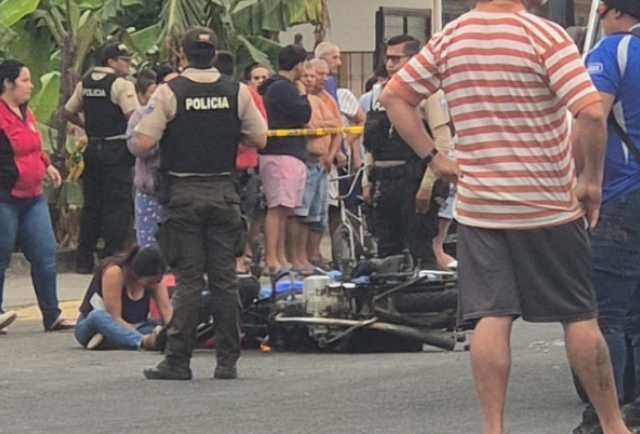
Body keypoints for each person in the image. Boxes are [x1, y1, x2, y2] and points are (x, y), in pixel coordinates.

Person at [379, 0, 630, 433]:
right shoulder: (544, 35)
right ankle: (613, 426)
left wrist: (435, 158)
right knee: (578, 316)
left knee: (491, 317)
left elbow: (393, 97)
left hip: (481, 208)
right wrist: (591, 180)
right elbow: (590, 111)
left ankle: (493, 427)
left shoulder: (451, 37)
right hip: (547, 204)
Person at [133, 27, 267, 380]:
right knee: (225, 280)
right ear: (215, 55)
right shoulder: (237, 91)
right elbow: (260, 137)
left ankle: (178, 360)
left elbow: (143, 142)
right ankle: (227, 362)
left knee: (189, 281)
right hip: (223, 192)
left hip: (183, 195)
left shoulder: (170, 92)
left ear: (183, 55)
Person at [576, 1, 640, 433]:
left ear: (613, 11)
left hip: (621, 193)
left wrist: (582, 178)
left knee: (606, 315)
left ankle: (604, 417)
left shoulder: (612, 50)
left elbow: (592, 114)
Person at [361, 35, 453, 268]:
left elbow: (442, 142)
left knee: (421, 250)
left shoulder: (430, 94)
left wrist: (427, 186)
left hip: (413, 180)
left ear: (414, 59)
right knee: (386, 252)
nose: (390, 65)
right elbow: (371, 143)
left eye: (396, 59)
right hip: (383, 182)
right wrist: (366, 179)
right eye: (388, 59)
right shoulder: (380, 94)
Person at [0, 60, 74, 333]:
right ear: (8, 84)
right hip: (5, 197)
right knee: (1, 256)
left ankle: (52, 315)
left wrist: (47, 165)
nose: (30, 85)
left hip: (32, 197)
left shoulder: (25, 112)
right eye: (24, 80)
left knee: (44, 253)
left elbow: (33, 147)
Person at [64, 43, 140, 274]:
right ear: (111, 62)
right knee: (117, 205)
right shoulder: (121, 84)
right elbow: (134, 116)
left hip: (92, 147)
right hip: (115, 148)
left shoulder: (85, 83)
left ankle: (84, 259)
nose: (128, 64)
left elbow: (67, 111)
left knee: (92, 204)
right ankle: (112, 259)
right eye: (124, 60)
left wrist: (86, 125)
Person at [258, 45, 312, 275]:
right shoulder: (284, 88)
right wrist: (303, 94)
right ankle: (271, 258)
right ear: (298, 65)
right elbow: (303, 114)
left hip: (287, 152)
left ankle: (280, 257)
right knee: (277, 207)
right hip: (281, 153)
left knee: (285, 209)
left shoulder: (276, 87)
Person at [213, 51, 267, 274]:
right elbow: (260, 130)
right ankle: (239, 258)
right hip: (241, 164)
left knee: (227, 216)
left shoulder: (198, 91)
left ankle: (236, 257)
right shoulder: (244, 93)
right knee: (242, 215)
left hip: (218, 166)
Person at [287, 61, 342, 274]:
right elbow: (308, 126)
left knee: (317, 216)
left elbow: (336, 125)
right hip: (305, 161)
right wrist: (321, 125)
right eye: (306, 76)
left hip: (322, 163)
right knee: (300, 213)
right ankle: (297, 256)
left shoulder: (321, 101)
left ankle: (311, 255)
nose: (310, 80)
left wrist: (331, 153)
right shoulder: (298, 101)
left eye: (313, 76)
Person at [75, 246, 172, 351]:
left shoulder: (156, 280)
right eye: (149, 283)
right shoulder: (114, 272)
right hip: (100, 325)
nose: (154, 286)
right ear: (135, 274)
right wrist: (143, 338)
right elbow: (115, 317)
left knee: (160, 325)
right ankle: (142, 342)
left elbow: (166, 310)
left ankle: (114, 340)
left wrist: (176, 334)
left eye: (157, 282)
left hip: (136, 326)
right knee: (97, 316)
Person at [127, 69, 160, 248]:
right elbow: (136, 146)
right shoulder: (140, 115)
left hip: (180, 192)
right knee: (149, 250)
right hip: (150, 191)